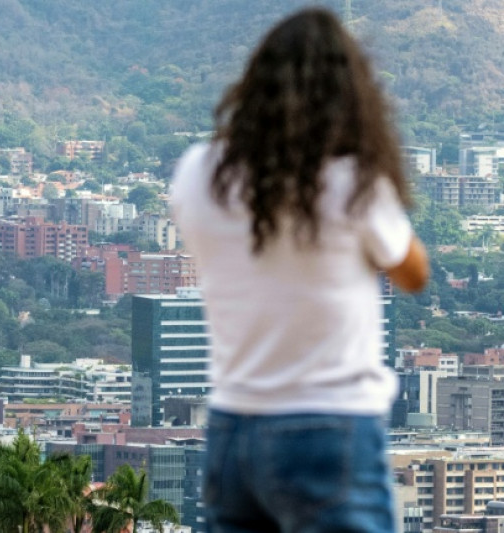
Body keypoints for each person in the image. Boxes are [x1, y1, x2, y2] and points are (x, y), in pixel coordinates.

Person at [168, 7, 429, 533]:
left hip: (232, 427)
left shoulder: (200, 173)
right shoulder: (352, 182)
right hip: (331, 426)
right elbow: (413, 273)